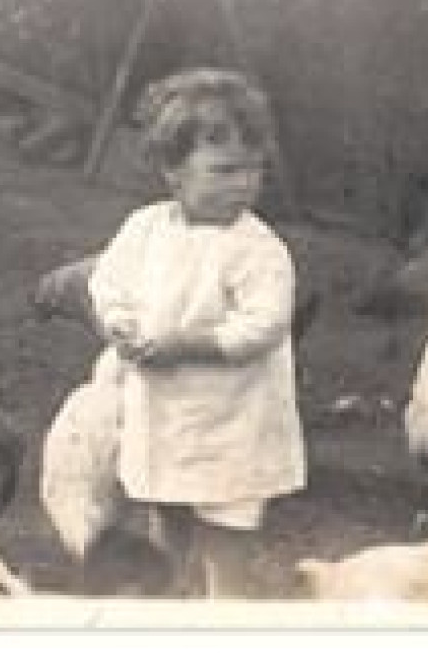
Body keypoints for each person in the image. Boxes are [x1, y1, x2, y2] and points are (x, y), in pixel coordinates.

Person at [33, 67, 306, 598]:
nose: (243, 184)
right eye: (223, 170)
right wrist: (121, 327)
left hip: (234, 417)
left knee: (227, 526)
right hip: (165, 413)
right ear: (172, 171)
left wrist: (187, 343)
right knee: (169, 515)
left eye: (253, 170)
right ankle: (174, 603)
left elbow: (264, 325)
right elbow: (109, 284)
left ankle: (225, 612)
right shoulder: (146, 229)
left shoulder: (258, 249)